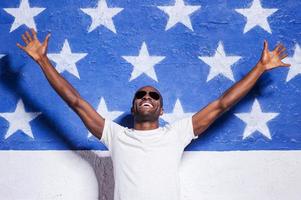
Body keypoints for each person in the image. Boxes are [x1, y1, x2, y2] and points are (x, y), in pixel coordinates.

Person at [17, 28, 290, 200]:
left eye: (153, 96)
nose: (147, 97)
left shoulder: (177, 133)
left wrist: (260, 68)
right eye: (141, 95)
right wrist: (43, 60)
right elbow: (75, 101)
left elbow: (221, 104)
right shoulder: (115, 134)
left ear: (161, 108)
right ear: (133, 106)